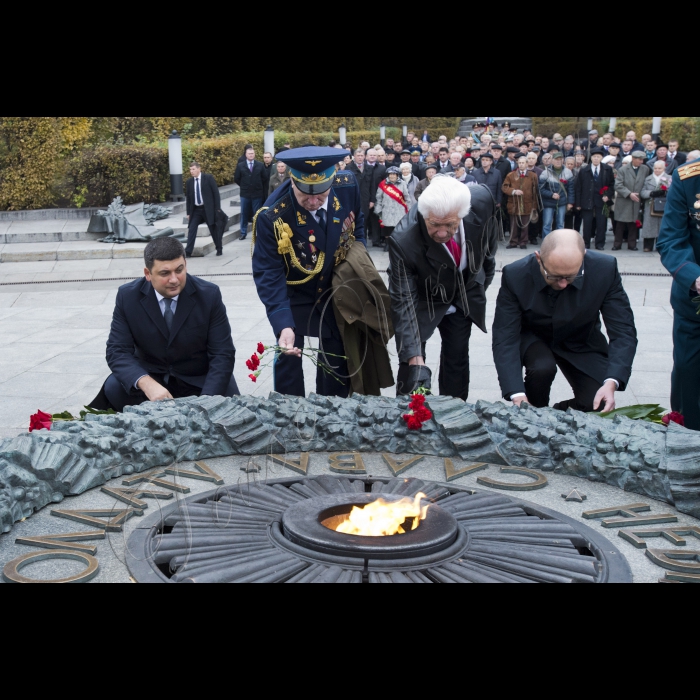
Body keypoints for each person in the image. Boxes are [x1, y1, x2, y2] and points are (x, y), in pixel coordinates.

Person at [252, 147, 366, 398]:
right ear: (292, 180)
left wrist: (358, 271)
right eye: (305, 195)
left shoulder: (347, 186)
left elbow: (358, 229)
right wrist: (283, 325)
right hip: (294, 292)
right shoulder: (272, 215)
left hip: (335, 290)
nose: (313, 202)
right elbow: (268, 272)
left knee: (336, 361)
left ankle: (333, 415)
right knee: (288, 357)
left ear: (332, 181)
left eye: (321, 195)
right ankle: (290, 417)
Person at [492, 230, 638, 413]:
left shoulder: (604, 269)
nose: (563, 284)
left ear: (583, 257)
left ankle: (558, 415)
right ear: (538, 258)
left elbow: (623, 330)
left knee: (597, 402)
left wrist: (612, 381)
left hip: (581, 338)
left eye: (571, 276)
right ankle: (534, 415)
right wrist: (517, 394)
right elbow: (505, 336)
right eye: (554, 276)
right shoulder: (515, 275)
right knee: (542, 368)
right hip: (534, 337)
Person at [90, 238, 239, 413]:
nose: (174, 279)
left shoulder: (209, 295)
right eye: (165, 273)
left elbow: (223, 354)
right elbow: (117, 351)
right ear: (148, 273)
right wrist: (146, 383)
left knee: (229, 410)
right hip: (153, 380)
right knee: (114, 386)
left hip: (200, 380)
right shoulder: (128, 296)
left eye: (179, 270)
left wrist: (205, 404)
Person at [388, 176, 497, 400]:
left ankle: (455, 410)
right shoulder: (403, 240)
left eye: (450, 224)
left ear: (463, 213)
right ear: (424, 215)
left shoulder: (482, 201)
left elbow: (488, 249)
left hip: (461, 293)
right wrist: (415, 359)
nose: (441, 233)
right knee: (411, 364)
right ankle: (408, 414)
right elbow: (403, 299)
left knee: (457, 357)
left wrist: (478, 286)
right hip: (421, 298)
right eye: (434, 224)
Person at [657, 156, 700, 431]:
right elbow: (671, 239)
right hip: (694, 298)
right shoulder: (688, 178)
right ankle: (688, 434)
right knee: (688, 371)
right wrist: (693, 277)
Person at [575, 147, 615, 250]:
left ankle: (600, 243)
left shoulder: (607, 169)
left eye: (598, 157)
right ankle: (586, 243)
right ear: (591, 158)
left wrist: (608, 195)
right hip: (587, 200)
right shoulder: (584, 170)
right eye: (594, 157)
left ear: (601, 158)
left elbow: (612, 185)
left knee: (601, 223)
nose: (596, 159)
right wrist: (578, 204)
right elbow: (578, 188)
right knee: (587, 224)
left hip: (602, 201)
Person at [614, 151, 651, 251]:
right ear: (633, 159)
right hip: (624, 200)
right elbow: (618, 185)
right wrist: (629, 193)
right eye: (639, 159)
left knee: (634, 224)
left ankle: (632, 244)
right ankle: (617, 244)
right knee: (620, 224)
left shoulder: (645, 169)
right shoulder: (623, 169)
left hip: (637, 200)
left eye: (642, 159)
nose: (641, 161)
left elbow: (646, 182)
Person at [185, 162, 223, 257]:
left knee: (213, 229)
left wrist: (217, 208)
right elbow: (188, 198)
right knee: (192, 229)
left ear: (199, 169)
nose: (191, 171)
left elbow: (216, 193)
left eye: (193, 169)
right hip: (196, 210)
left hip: (208, 209)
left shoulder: (208, 178)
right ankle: (188, 251)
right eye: (190, 170)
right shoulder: (189, 182)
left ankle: (219, 248)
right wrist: (188, 212)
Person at [503, 155, 539, 250]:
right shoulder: (511, 175)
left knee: (525, 225)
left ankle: (523, 242)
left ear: (527, 164)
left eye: (523, 163)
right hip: (514, 204)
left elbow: (535, 191)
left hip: (527, 204)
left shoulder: (533, 176)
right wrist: (514, 191)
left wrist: (534, 206)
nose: (521, 165)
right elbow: (504, 187)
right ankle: (513, 242)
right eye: (519, 163)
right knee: (513, 225)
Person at [234, 147, 266, 241]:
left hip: (257, 193)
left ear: (254, 154)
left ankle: (257, 232)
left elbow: (264, 178)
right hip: (245, 194)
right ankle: (243, 233)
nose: (251, 155)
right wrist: (244, 185)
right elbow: (237, 178)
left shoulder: (260, 165)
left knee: (257, 214)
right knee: (244, 213)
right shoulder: (240, 165)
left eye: (252, 153)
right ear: (246, 155)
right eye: (249, 153)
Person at [375, 167, 411, 251]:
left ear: (397, 175)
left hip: (399, 209)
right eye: (390, 174)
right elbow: (379, 197)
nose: (392, 176)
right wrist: (378, 209)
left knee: (398, 228)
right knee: (387, 228)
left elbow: (407, 197)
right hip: (387, 209)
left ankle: (397, 245)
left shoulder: (402, 183)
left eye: (394, 174)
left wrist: (409, 209)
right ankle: (388, 244)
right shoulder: (383, 184)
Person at [540, 153, 575, 238]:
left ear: (563, 160)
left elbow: (571, 189)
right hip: (548, 202)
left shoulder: (568, 172)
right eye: (556, 159)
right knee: (547, 224)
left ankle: (559, 242)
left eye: (560, 159)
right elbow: (540, 189)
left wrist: (570, 202)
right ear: (552, 161)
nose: (558, 161)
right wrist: (551, 195)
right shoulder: (545, 173)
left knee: (560, 224)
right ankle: (547, 242)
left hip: (562, 202)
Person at [641, 161, 673, 253]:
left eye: (660, 168)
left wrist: (665, 192)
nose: (657, 170)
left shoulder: (669, 178)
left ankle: (661, 246)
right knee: (649, 226)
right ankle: (648, 246)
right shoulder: (648, 179)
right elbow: (642, 192)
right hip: (650, 204)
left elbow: (674, 191)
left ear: (664, 169)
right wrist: (651, 193)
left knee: (662, 226)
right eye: (655, 168)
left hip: (664, 204)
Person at [346, 148, 374, 233]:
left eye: (362, 155)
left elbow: (372, 185)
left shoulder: (369, 168)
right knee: (353, 221)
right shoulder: (348, 168)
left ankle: (363, 242)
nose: (360, 158)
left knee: (364, 220)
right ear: (354, 156)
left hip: (366, 199)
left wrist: (372, 200)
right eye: (358, 156)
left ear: (365, 157)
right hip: (353, 199)